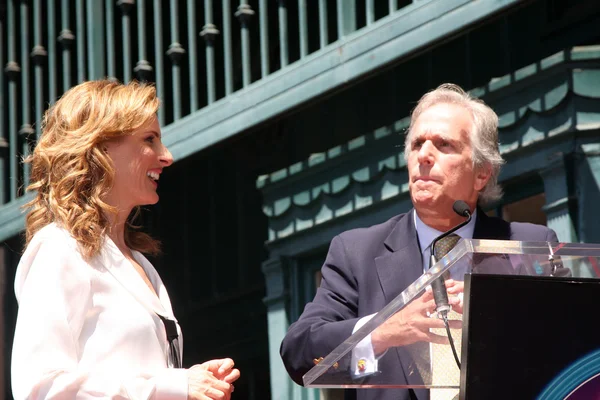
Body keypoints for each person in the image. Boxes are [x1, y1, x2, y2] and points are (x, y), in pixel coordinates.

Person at [280, 83, 560, 400]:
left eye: (443, 145)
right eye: (416, 145)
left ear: (481, 173)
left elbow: (566, 355)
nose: (424, 155)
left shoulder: (529, 246)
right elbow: (299, 352)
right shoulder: (356, 252)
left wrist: (495, 318)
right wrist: (384, 330)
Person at [11, 80, 240, 400]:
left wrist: (193, 381)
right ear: (100, 148)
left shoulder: (142, 265)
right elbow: (41, 388)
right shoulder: (59, 249)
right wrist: (173, 387)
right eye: (150, 140)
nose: (167, 156)